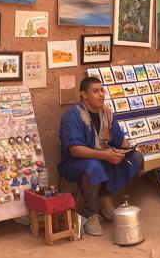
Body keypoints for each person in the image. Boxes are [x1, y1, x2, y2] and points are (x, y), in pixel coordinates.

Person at [58, 77, 144, 237]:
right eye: (95, 91)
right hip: (76, 164)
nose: (101, 95)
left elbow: (120, 139)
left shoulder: (106, 113)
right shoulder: (73, 115)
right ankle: (90, 213)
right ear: (83, 95)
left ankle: (105, 197)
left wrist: (125, 152)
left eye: (102, 90)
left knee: (136, 157)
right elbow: (74, 150)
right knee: (93, 166)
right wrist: (104, 155)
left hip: (103, 159)